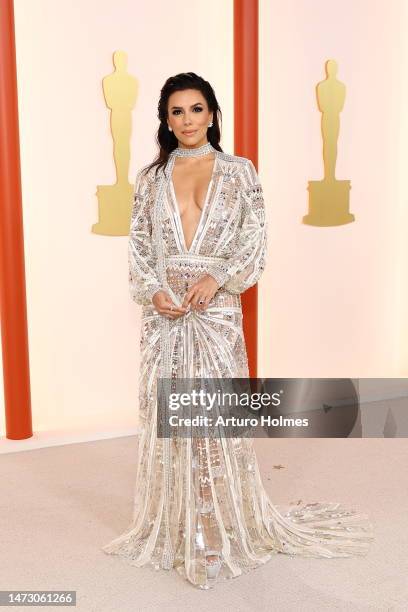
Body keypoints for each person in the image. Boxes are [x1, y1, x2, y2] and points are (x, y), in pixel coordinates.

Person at [102, 72, 374, 590]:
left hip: (216, 308)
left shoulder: (238, 171)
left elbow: (256, 238)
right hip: (165, 314)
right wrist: (153, 289)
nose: (187, 120)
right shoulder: (150, 178)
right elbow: (138, 245)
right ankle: (178, 525)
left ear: (213, 114)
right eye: (177, 112)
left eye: (197, 109)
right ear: (165, 119)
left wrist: (218, 277)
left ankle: (216, 527)